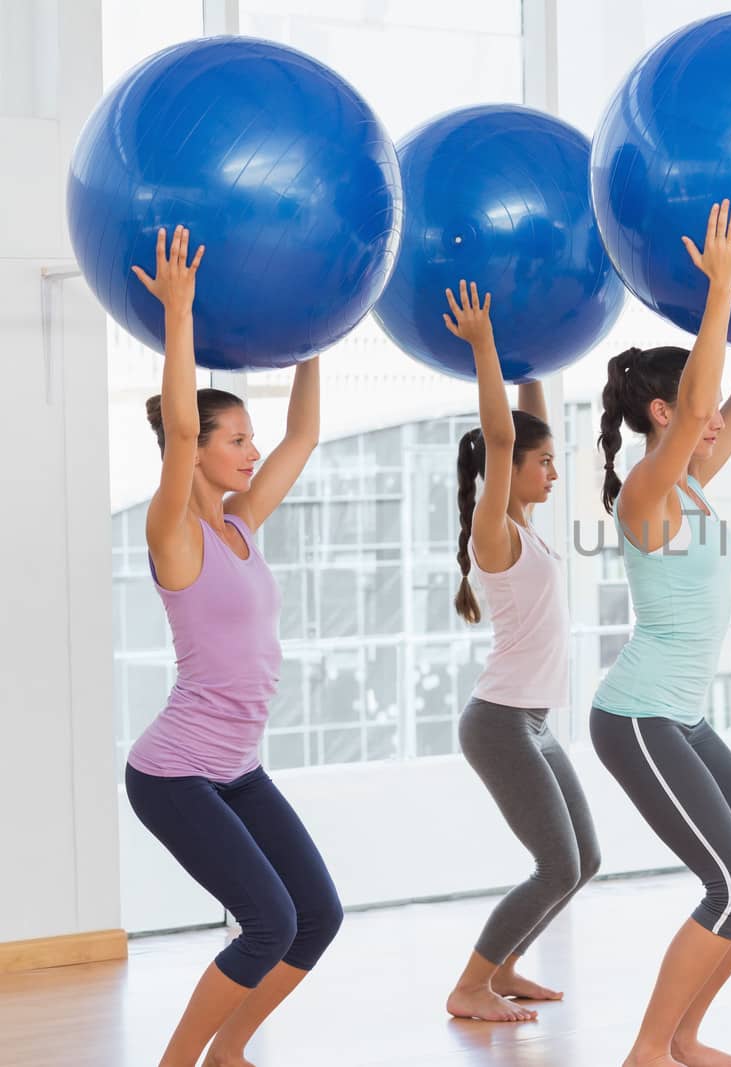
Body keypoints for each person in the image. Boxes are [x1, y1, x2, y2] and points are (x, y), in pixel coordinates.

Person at [124, 226, 340, 1067]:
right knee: (270, 921)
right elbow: (178, 433)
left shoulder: (243, 525)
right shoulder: (175, 528)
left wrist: (320, 335)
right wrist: (179, 312)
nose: (252, 453)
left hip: (237, 767)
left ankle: (229, 1054)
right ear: (200, 450)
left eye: (250, 439)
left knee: (315, 916)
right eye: (235, 440)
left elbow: (306, 437)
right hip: (175, 773)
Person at [589, 200, 731, 1067]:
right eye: (695, 412)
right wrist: (720, 292)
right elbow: (715, 392)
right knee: (730, 881)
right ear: (663, 413)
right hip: (637, 715)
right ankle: (647, 1052)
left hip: (684, 716)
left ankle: (682, 1038)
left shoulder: (695, 478)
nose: (716, 423)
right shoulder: (649, 490)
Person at [440, 281, 601, 1023]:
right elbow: (503, 437)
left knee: (585, 862)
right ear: (513, 468)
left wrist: (542, 347)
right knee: (557, 865)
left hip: (533, 718)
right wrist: (484, 346)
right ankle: (470, 984)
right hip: (501, 721)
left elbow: (529, 426)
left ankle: (504, 967)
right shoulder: (493, 533)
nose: (554, 472)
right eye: (546, 463)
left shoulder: (528, 529)